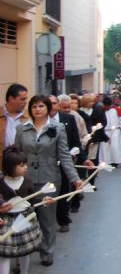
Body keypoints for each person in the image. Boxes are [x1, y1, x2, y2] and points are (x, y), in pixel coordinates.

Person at [14, 95, 85, 267]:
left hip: (49, 179)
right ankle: (21, 256)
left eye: (41, 106)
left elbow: (65, 156)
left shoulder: (58, 128)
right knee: (23, 217)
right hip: (25, 180)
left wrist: (75, 179)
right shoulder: (21, 129)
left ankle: (47, 252)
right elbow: (16, 155)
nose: (37, 109)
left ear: (48, 109)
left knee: (46, 218)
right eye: (34, 106)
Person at [0, 148, 54, 274]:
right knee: (4, 254)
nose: (26, 167)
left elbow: (34, 200)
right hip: (6, 220)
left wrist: (45, 200)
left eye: (25, 164)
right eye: (21, 165)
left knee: (25, 251)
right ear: (9, 166)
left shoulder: (28, 181)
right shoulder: (1, 183)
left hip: (25, 218)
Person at [49, 96, 82, 234]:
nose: (51, 106)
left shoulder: (68, 119)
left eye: (54, 103)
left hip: (63, 161)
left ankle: (63, 220)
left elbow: (75, 140)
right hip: (46, 164)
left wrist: (80, 156)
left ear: (58, 105)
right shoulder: (37, 122)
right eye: (48, 104)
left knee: (63, 192)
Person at [59, 95, 88, 214]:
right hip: (59, 156)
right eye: (64, 107)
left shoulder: (74, 117)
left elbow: (79, 136)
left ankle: (74, 203)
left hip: (72, 155)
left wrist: (79, 154)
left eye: (68, 107)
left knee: (73, 180)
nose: (67, 110)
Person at [0, 84, 29, 162]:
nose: (26, 102)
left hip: (23, 163)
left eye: (26, 99)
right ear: (11, 99)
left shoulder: (30, 116)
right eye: (22, 99)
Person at [100, 97, 121, 167]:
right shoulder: (101, 110)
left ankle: (115, 161)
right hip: (105, 131)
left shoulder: (117, 110)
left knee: (115, 147)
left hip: (115, 131)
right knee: (105, 147)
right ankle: (106, 161)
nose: (107, 107)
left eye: (108, 105)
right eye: (106, 105)